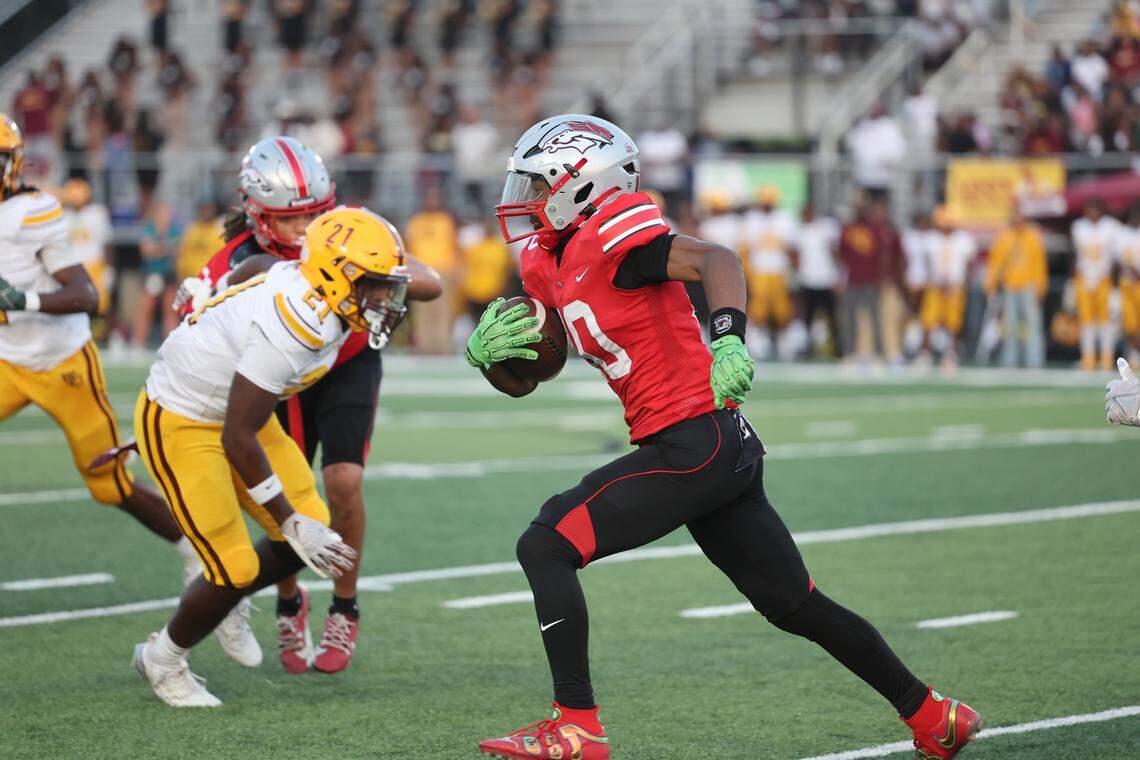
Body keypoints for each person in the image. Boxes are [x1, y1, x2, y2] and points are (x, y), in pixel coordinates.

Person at [470, 114, 980, 760]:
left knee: (546, 543)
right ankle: (935, 716)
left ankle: (577, 725)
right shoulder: (550, 261)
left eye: (541, 186)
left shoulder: (614, 230)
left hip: (695, 439)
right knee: (795, 605)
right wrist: (497, 364)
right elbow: (536, 373)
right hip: (713, 447)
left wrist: (729, 335)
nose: (530, 201)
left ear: (583, 183)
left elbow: (718, 259)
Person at [178, 136, 442, 674]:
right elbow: (192, 340)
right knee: (289, 496)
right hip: (278, 380)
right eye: (290, 219)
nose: (305, 229)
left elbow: (430, 282)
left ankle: (345, 605)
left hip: (344, 362)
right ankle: (287, 598)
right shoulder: (234, 260)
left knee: (343, 483)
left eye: (314, 215)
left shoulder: (342, 229)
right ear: (255, 214)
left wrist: (375, 268)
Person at [132, 207, 416, 706]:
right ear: (336, 275)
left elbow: (260, 267)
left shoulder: (306, 284)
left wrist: (213, 307)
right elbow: (237, 439)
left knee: (313, 525)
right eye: (373, 284)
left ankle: (222, 599)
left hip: (236, 411)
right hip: (185, 419)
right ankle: (163, 659)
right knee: (238, 566)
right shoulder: (297, 324)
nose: (383, 298)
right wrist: (285, 518)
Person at [0, 114, 197, 581]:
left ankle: (197, 551)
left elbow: (86, 296)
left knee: (109, 483)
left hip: (60, 362)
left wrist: (21, 298)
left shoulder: (33, 211)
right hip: (6, 359)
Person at [985, 207, 1048, 367]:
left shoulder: (1033, 237)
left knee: (1032, 325)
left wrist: (1040, 288)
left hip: (1029, 286)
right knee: (1009, 326)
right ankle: (1009, 362)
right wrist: (991, 285)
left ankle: (1034, 362)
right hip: (1009, 285)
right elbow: (996, 262)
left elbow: (1039, 264)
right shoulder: (1004, 237)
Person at [741, 185, 798, 359]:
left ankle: (784, 345)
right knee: (757, 311)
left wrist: (793, 271)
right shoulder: (751, 219)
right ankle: (756, 345)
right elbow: (745, 248)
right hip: (759, 271)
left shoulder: (785, 218)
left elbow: (792, 247)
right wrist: (747, 272)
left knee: (783, 311)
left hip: (779, 270)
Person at [404, 184, 459, 354]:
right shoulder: (416, 221)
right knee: (421, 312)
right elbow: (409, 247)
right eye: (429, 198)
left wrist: (457, 268)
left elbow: (455, 246)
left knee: (442, 311)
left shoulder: (446, 220)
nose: (432, 201)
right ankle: (424, 346)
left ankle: (442, 346)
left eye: (435, 198)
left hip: (444, 270)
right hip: (420, 272)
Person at [919, 206, 976, 369]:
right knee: (928, 321)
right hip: (936, 285)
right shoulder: (931, 238)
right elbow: (927, 261)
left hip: (955, 286)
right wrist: (934, 279)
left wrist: (962, 282)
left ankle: (950, 355)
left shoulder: (963, 239)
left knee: (954, 323)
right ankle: (925, 355)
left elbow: (969, 263)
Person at [1070, 197, 1120, 371]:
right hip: (1083, 277)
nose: (1092, 212)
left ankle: (1106, 358)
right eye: (1089, 208)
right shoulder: (1078, 227)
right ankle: (1088, 358)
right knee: (1086, 322)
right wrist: (1071, 280)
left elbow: (1116, 258)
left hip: (1103, 279)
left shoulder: (1111, 226)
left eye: (1095, 208)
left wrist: (1114, 284)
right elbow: (1075, 255)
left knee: (1106, 322)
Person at [838, 203, 884, 361]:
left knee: (875, 317)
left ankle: (878, 352)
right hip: (852, 279)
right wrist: (840, 277)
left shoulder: (874, 230)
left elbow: (881, 255)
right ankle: (850, 352)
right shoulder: (847, 230)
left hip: (870, 279)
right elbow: (841, 255)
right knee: (849, 317)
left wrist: (880, 278)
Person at [133, 201, 181, 351]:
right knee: (146, 309)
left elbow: (178, 250)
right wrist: (166, 247)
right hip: (151, 273)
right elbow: (147, 251)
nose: (165, 216)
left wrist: (159, 248)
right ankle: (137, 345)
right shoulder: (149, 229)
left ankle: (170, 345)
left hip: (168, 274)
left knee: (170, 310)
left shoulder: (174, 230)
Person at [794, 204, 841, 358]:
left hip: (826, 279)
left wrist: (837, 275)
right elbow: (796, 255)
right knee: (807, 318)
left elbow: (834, 252)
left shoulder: (825, 228)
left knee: (832, 317)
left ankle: (837, 348)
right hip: (808, 280)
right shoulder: (799, 231)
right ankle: (808, 349)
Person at [1116, 201, 1140, 366]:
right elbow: (1116, 260)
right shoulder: (1121, 234)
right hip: (1126, 285)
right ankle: (1134, 354)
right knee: (1130, 326)